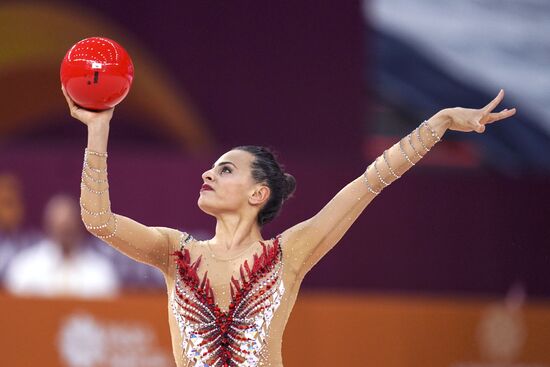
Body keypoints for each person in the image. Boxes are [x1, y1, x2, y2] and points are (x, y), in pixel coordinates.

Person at [63, 84, 515, 366]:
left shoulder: (289, 253)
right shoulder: (175, 252)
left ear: (258, 193)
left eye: (225, 170)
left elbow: (371, 181)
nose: (207, 174)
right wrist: (97, 131)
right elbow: (98, 220)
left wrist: (438, 124)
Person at [4, 193, 119, 298]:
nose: (64, 232)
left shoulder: (100, 270)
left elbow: (107, 312)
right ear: (48, 225)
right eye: (60, 227)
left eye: (68, 227)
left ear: (80, 225)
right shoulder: (24, 267)